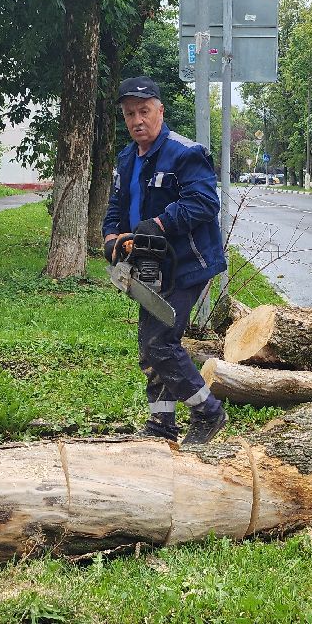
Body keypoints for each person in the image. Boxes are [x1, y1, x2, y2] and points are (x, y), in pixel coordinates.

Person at [103, 75, 228, 446]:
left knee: (161, 344)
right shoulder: (127, 158)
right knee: (150, 348)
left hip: (187, 264)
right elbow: (116, 207)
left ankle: (208, 411)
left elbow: (204, 202)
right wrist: (111, 238)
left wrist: (159, 224)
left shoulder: (185, 153)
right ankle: (162, 425)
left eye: (144, 111)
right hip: (150, 266)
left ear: (160, 110)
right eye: (130, 114)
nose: (137, 120)